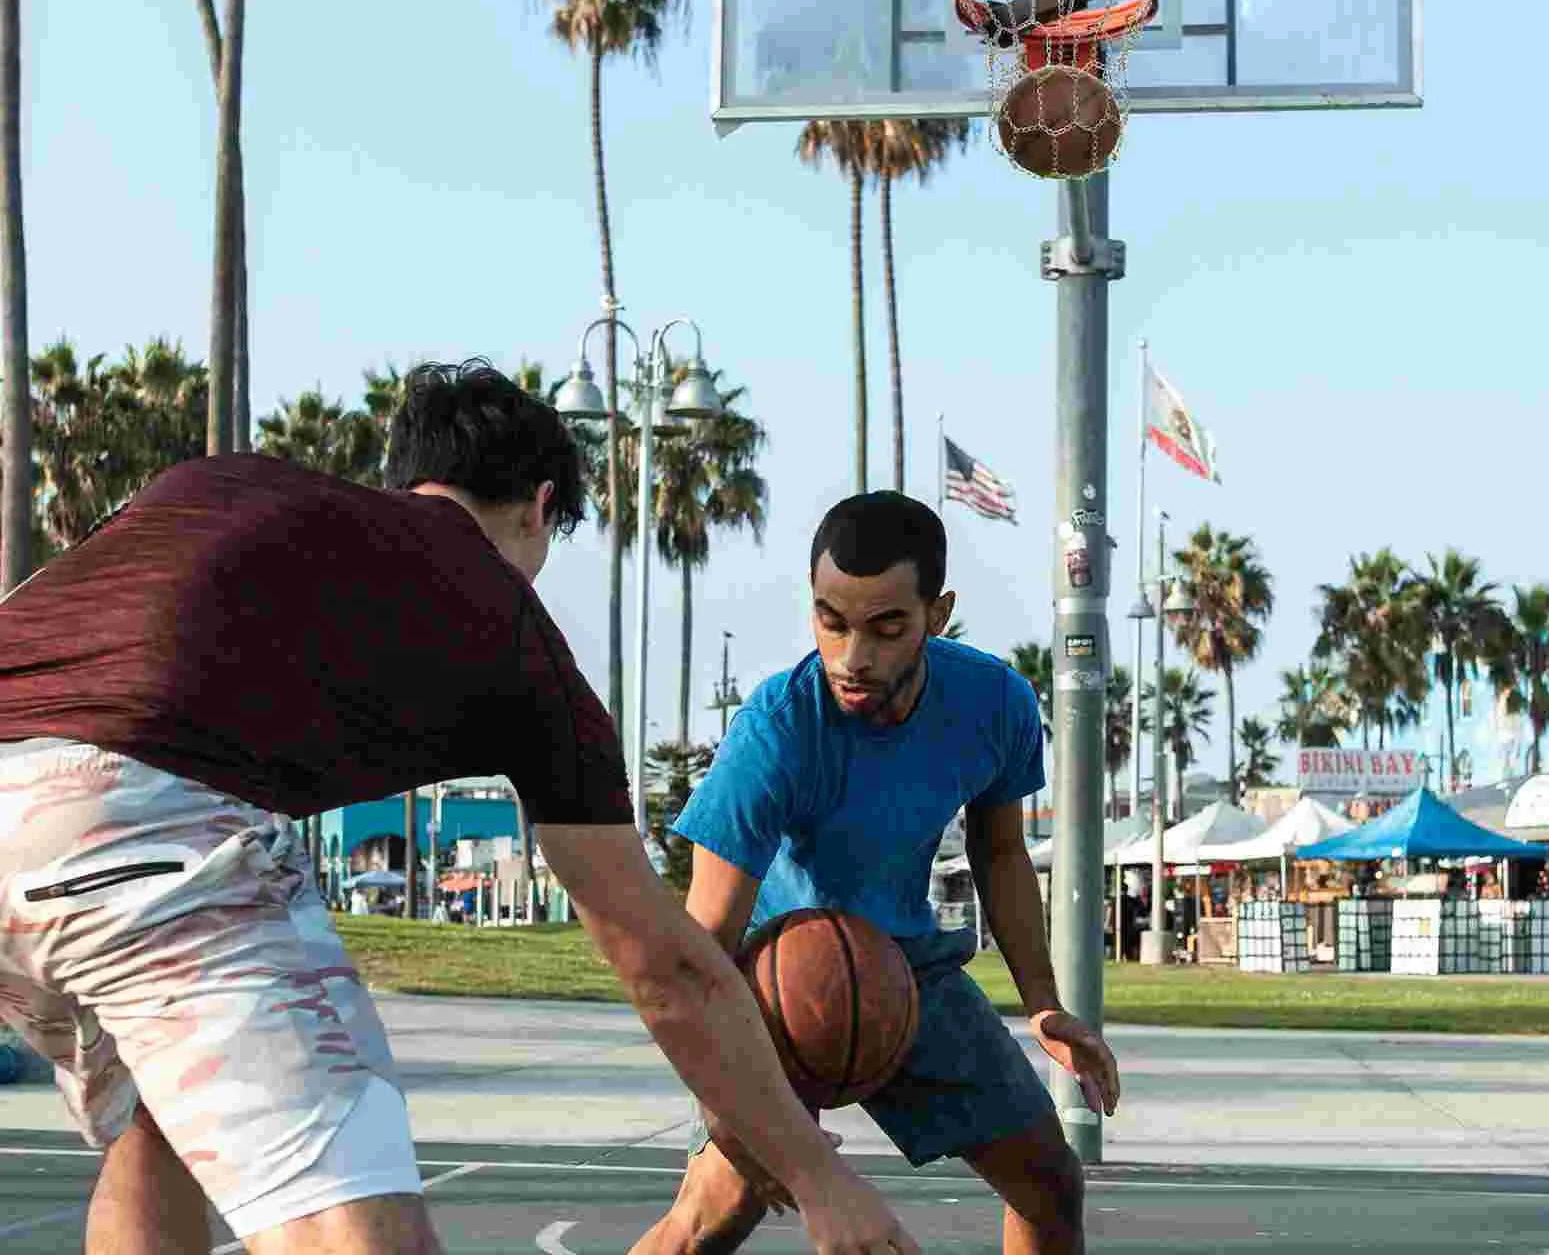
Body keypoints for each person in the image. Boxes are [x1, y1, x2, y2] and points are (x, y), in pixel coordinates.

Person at [0, 361, 914, 1255]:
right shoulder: (506, 623)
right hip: (131, 817)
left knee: (160, 1126)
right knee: (354, 1233)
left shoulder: (211, 484)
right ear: (539, 506)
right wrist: (817, 1175)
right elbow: (662, 964)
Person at [633, 492, 1120, 1255]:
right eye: (832, 621)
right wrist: (731, 1106)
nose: (852, 656)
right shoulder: (775, 734)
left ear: (938, 612)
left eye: (885, 627)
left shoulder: (994, 702)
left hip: (908, 969)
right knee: (708, 1224)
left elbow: (999, 854)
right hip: (769, 986)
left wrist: (1043, 1003)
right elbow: (698, 956)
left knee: (1050, 1181)